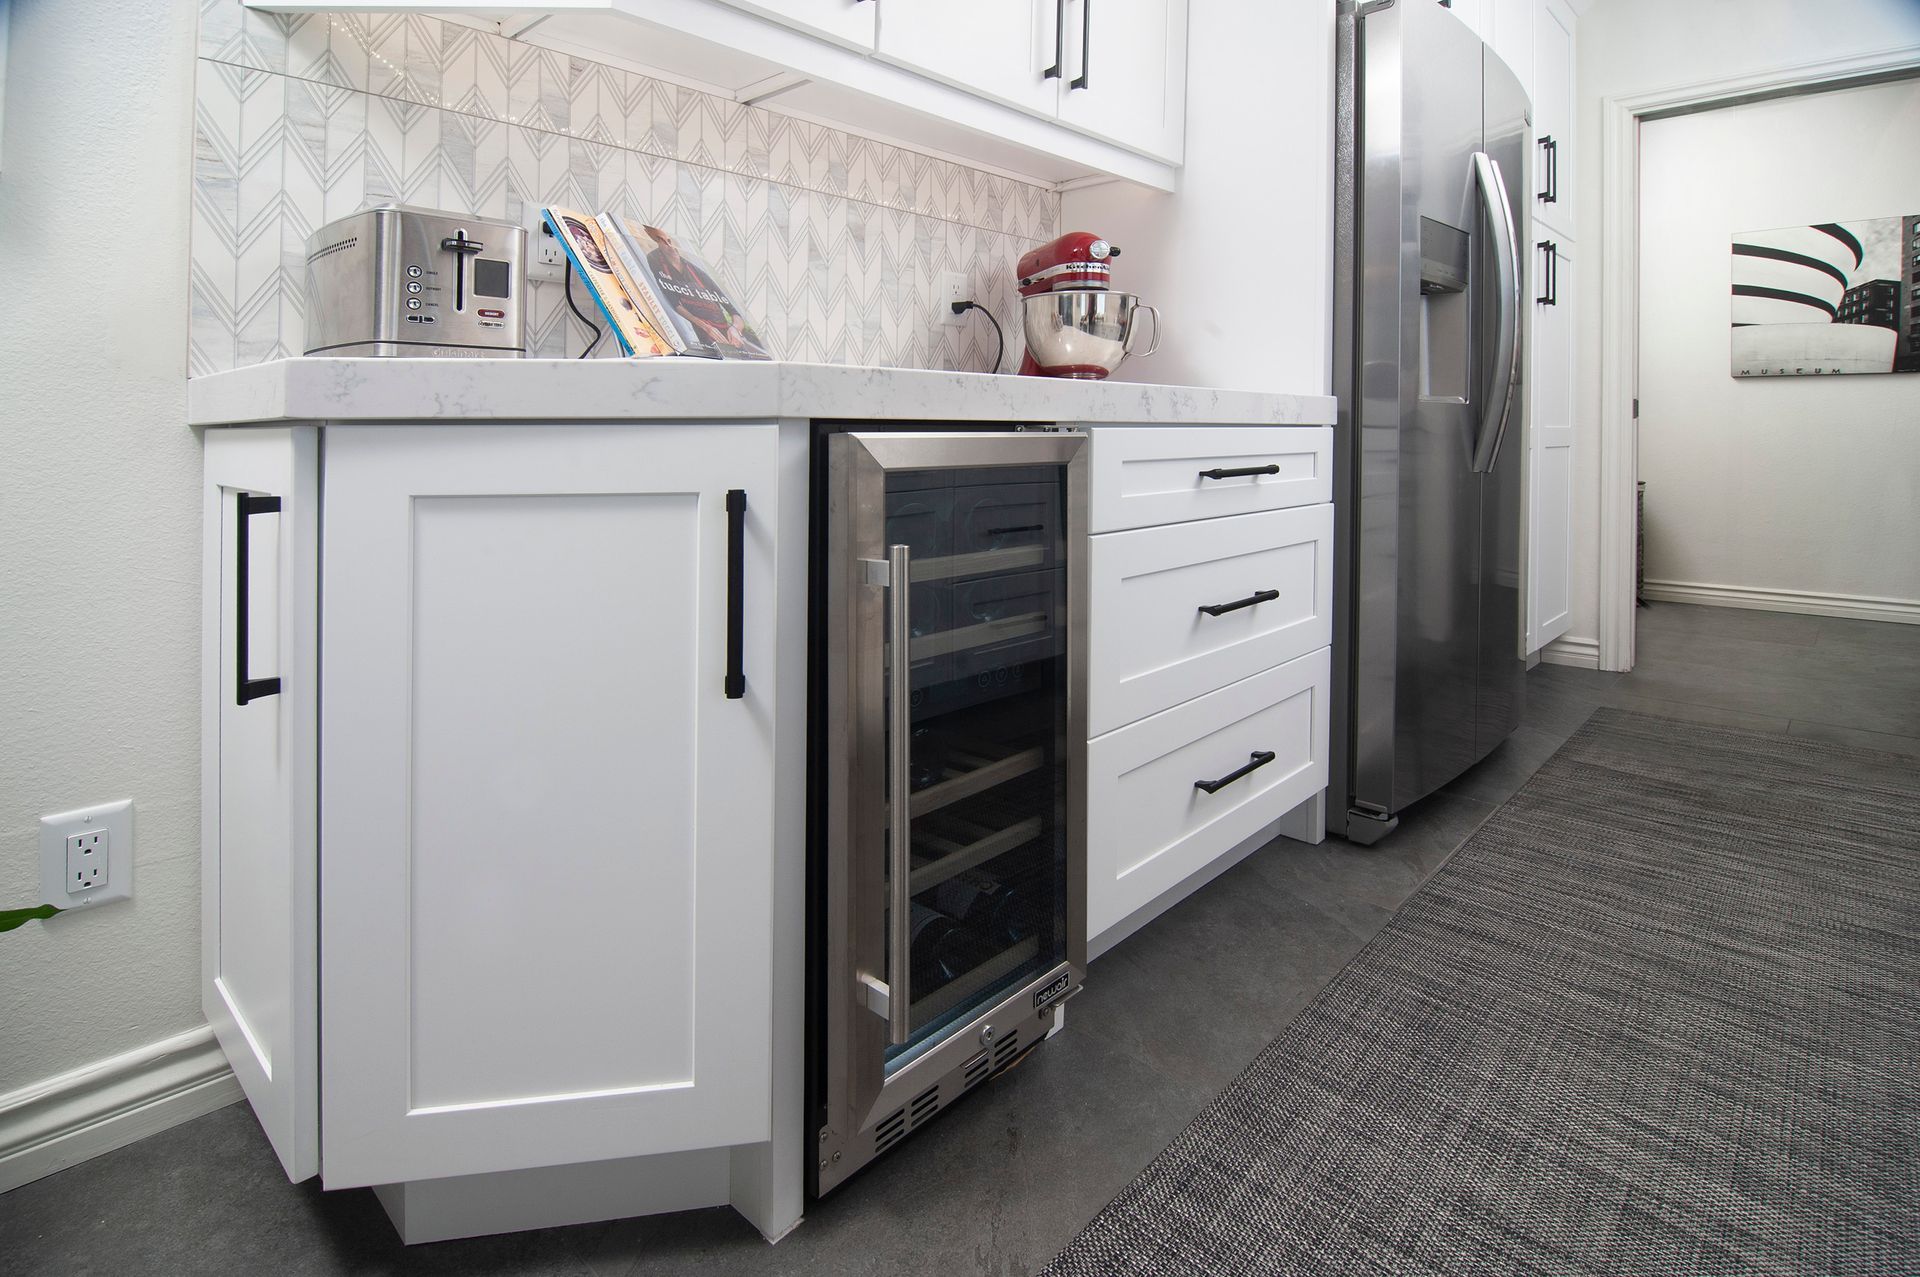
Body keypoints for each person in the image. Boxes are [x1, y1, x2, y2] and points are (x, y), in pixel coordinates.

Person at [642, 225, 771, 358]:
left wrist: (735, 329)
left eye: (669, 241)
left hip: (728, 332)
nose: (668, 245)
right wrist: (705, 327)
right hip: (706, 338)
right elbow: (674, 303)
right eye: (660, 240)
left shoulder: (697, 271)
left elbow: (733, 311)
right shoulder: (655, 261)